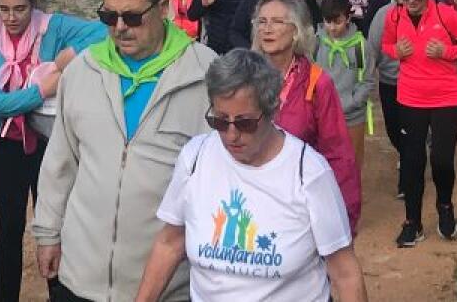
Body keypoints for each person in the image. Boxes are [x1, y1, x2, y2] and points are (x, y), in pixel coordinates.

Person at [33, 0, 216, 302]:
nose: (119, 27)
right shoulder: (82, 72)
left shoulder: (206, 75)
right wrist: (47, 234)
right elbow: (61, 162)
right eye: (108, 16)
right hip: (80, 279)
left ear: (163, 6)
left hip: (167, 286)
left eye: (132, 17)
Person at [135, 50, 369, 302]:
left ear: (271, 112)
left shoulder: (308, 171)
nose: (231, 135)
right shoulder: (195, 157)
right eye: (220, 121)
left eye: (245, 123)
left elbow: (344, 273)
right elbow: (170, 243)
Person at [0, 0, 105, 302]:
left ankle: (58, 296)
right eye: (4, 9)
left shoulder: (53, 27)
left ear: (33, 6)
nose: (11, 18)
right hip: (6, 145)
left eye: (20, 9)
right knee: (10, 230)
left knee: (55, 227)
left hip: (49, 142)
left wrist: (66, 59)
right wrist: (42, 90)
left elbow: (105, 31)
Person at [381, 0, 457, 247]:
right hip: (410, 97)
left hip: (446, 97)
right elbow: (386, 45)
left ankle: (445, 206)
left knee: (440, 159)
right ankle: (412, 222)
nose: (412, 0)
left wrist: (447, 52)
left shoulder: (444, 13)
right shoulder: (394, 16)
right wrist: (395, 51)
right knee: (412, 162)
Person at [251, 0, 361, 231]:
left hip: (298, 209)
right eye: (262, 21)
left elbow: (338, 155)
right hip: (250, 203)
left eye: (278, 22)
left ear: (296, 31)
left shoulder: (318, 83)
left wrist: (344, 219)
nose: (267, 28)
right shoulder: (244, 79)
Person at [315, 0, 374, 170]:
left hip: (352, 116)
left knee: (352, 164)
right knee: (323, 163)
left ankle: (352, 198)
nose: (332, 28)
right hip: (322, 115)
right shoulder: (315, 42)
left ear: (348, 18)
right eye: (328, 22)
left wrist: (352, 102)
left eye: (338, 22)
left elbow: (367, 80)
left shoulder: (360, 45)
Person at [367, 0, 405, 200]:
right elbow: (372, 48)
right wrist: (369, 83)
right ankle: (407, 153)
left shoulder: (428, 11)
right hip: (389, 81)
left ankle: (407, 180)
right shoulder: (384, 13)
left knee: (410, 131)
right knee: (393, 128)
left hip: (417, 82)